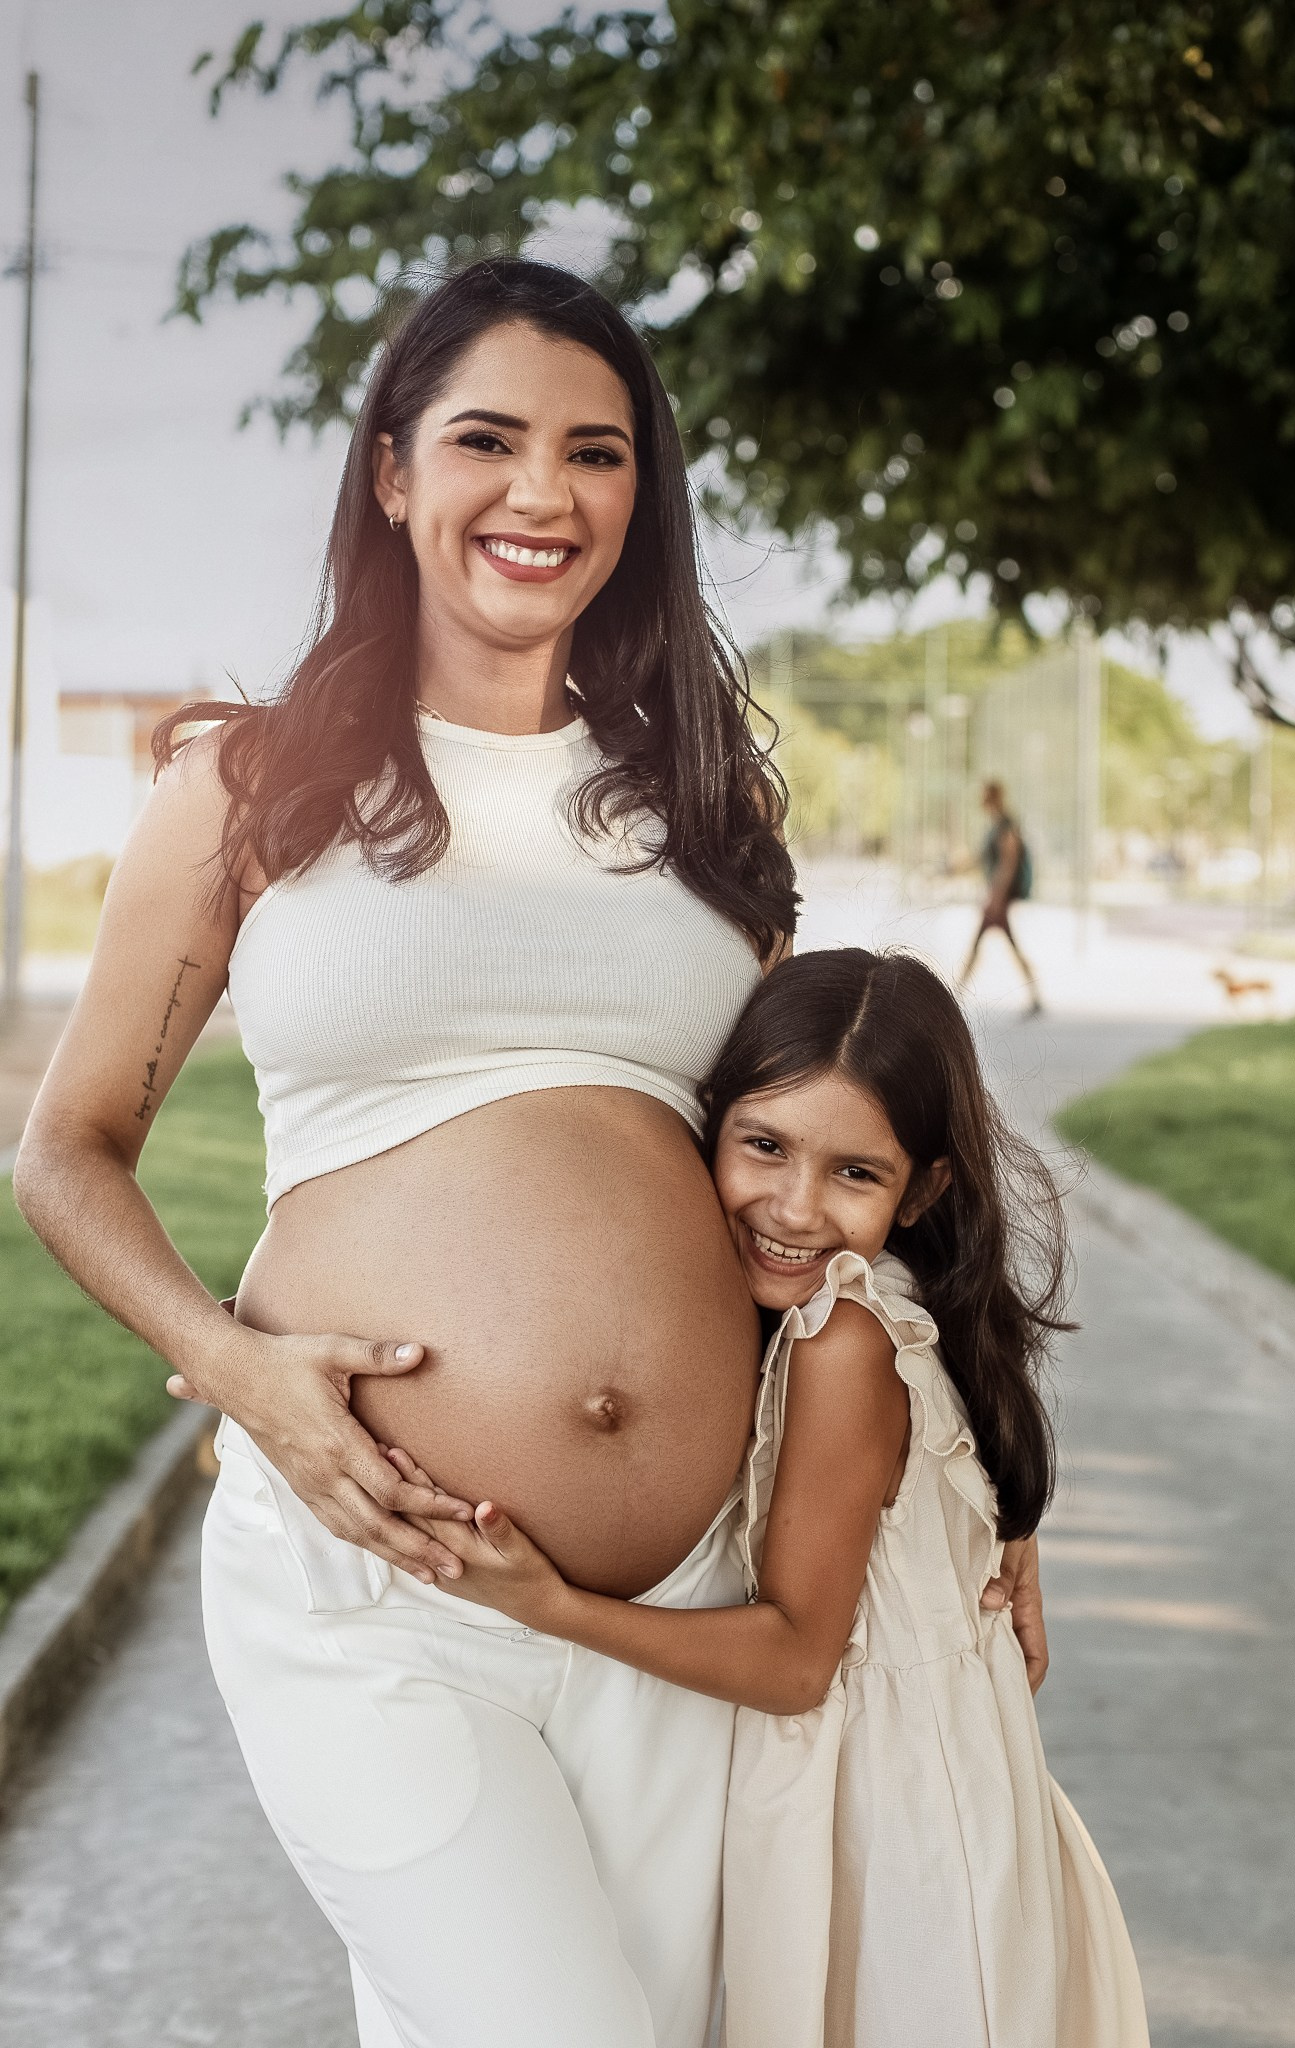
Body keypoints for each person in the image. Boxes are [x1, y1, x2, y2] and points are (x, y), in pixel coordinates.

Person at [12, 261, 1047, 2048]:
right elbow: (70, 1151)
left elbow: (829, 1167)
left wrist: (986, 1484)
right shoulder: (251, 789)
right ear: (394, 473)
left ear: (642, 497)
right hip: (379, 1590)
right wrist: (242, 1369)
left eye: (599, 451)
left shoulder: (708, 813)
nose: (544, 493)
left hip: (683, 1593)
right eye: (487, 440)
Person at [390, 948, 1149, 2048]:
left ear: (925, 1186)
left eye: (856, 1172)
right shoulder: (844, 1305)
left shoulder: (846, 1334)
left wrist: (552, 1605)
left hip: (894, 1834)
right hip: (922, 1797)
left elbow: (798, 1659)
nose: (794, 1205)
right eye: (764, 1144)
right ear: (711, 1122)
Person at [960, 778, 1043, 1016]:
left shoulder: (1006, 825)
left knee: (980, 945)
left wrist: (996, 897)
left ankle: (955, 994)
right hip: (996, 898)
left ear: (993, 797)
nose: (981, 800)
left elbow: (1008, 864)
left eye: (984, 795)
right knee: (1003, 945)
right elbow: (982, 857)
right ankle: (1035, 996)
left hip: (998, 899)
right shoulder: (996, 825)